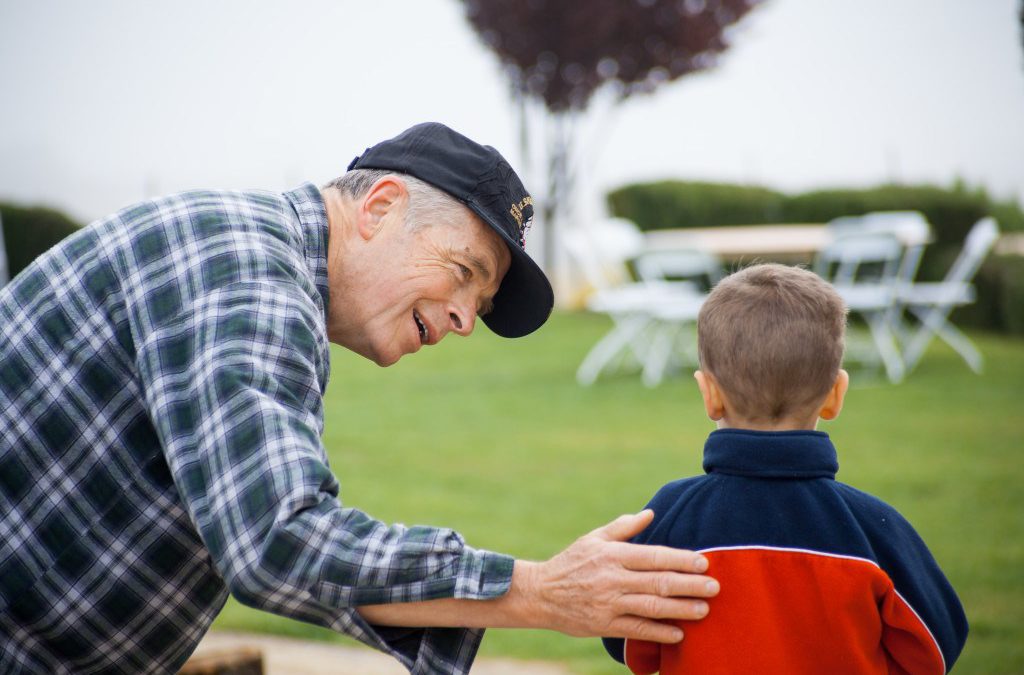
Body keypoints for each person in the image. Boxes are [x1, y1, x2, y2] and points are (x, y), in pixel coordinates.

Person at [0, 122, 718, 674]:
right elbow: (279, 538)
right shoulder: (246, 272)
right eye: (465, 271)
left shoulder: (265, 272)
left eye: (483, 301)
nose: (467, 319)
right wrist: (536, 589)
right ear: (380, 205)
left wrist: (532, 594)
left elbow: (286, 553)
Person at [602, 263, 968, 674]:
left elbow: (623, 639)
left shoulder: (669, 516)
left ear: (709, 395)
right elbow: (937, 646)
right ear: (835, 395)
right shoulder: (874, 529)